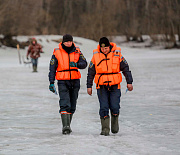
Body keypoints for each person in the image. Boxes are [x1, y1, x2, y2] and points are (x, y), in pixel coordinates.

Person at [87, 37, 133, 136]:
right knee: (103, 107)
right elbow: (90, 72)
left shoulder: (117, 55)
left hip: (115, 86)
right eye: (103, 48)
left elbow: (126, 69)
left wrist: (129, 82)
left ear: (109, 46)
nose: (104, 50)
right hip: (101, 86)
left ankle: (115, 125)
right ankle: (105, 129)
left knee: (115, 106)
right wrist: (89, 86)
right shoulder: (95, 56)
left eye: (106, 48)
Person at [48, 34, 87, 134]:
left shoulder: (77, 51)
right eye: (66, 42)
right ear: (63, 42)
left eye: (70, 41)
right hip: (62, 81)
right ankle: (65, 127)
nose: (68, 43)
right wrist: (51, 82)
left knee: (72, 105)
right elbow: (52, 69)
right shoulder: (57, 52)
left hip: (75, 81)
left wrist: (77, 64)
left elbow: (84, 63)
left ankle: (68, 125)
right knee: (65, 103)